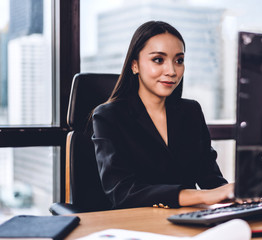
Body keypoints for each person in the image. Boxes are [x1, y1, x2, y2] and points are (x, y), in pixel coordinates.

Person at [92, 20, 234, 209]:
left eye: (179, 60)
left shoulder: (190, 112)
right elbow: (123, 193)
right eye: (158, 60)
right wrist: (204, 196)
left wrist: (236, 195)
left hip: (188, 222)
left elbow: (211, 178)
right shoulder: (108, 116)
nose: (172, 71)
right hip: (134, 225)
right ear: (135, 65)